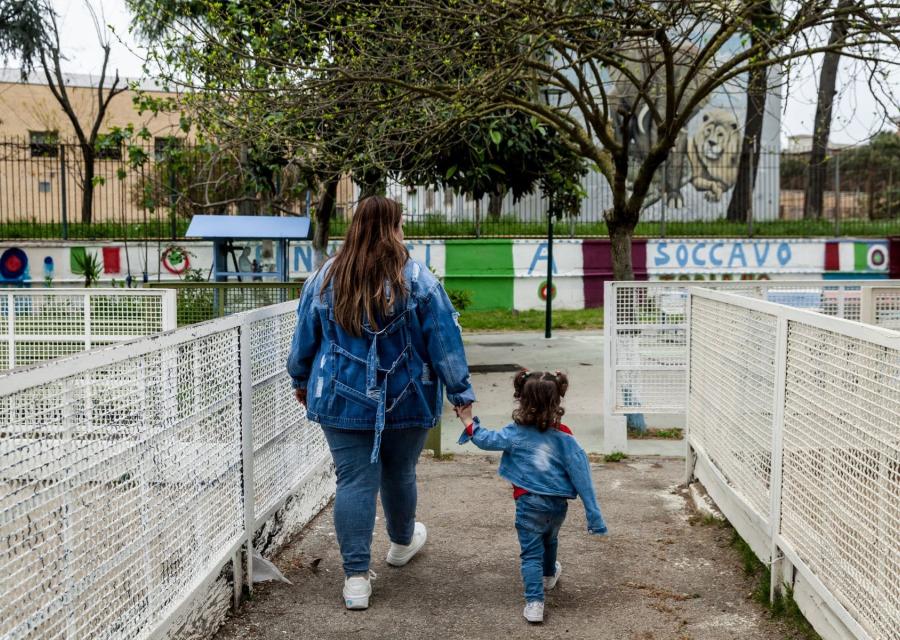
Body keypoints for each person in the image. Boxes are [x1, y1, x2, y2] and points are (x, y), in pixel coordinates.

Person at [287, 196, 475, 610]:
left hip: (341, 398)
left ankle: (356, 580)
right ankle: (402, 544)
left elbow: (304, 340)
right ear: (393, 227)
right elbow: (444, 339)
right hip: (407, 396)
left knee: (353, 480)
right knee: (400, 472)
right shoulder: (418, 280)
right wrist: (461, 396)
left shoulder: (323, 279)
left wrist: (301, 380)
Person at [455, 370, 607, 624]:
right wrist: (594, 515)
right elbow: (582, 475)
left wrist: (468, 419)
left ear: (521, 399)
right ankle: (549, 576)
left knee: (530, 553)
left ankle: (535, 602)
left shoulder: (515, 432)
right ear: (558, 400)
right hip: (558, 506)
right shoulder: (566, 437)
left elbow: (484, 439)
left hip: (528, 504)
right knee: (551, 539)